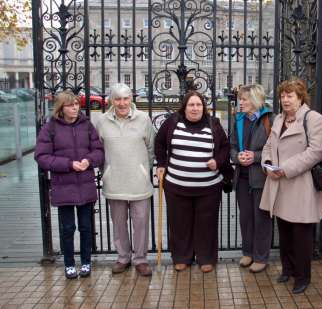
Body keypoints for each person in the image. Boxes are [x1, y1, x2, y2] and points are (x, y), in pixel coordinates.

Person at [260, 79, 322, 294]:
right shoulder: (279, 118)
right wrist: (268, 164)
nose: (285, 100)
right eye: (283, 96)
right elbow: (269, 146)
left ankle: (302, 276)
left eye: (290, 96)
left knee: (302, 236)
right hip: (278, 184)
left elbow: (316, 152)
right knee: (285, 232)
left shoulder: (314, 119)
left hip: (301, 186)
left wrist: (284, 169)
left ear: (300, 97)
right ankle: (287, 269)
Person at [154, 91, 230, 273]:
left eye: (198, 105)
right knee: (179, 223)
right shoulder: (173, 122)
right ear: (185, 107)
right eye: (191, 105)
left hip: (209, 187)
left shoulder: (214, 124)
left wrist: (217, 162)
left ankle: (206, 258)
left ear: (203, 107)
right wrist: (161, 163)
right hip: (177, 185)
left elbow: (225, 147)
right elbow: (159, 143)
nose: (195, 108)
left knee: (207, 223)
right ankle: (181, 257)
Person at [35, 90, 104, 279]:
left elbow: (99, 150)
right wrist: (68, 164)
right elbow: (41, 156)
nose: (74, 108)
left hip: (85, 184)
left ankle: (86, 262)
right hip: (63, 185)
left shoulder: (87, 125)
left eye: (76, 104)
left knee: (85, 227)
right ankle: (69, 263)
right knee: (67, 228)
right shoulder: (50, 128)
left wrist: (89, 161)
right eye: (70, 105)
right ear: (61, 108)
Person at [96, 83, 155, 276]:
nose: (122, 103)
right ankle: (123, 257)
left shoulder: (143, 119)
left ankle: (140, 259)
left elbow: (150, 149)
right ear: (111, 101)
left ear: (131, 99)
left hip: (139, 181)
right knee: (119, 222)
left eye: (126, 98)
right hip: (115, 180)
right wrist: (106, 171)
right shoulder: (102, 121)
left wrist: (144, 170)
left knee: (141, 222)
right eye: (117, 99)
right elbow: (98, 149)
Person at [230, 84, 274, 273]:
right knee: (246, 217)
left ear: (255, 100)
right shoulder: (238, 119)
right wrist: (237, 157)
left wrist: (254, 157)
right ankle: (247, 252)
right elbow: (231, 145)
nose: (241, 102)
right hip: (242, 178)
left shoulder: (270, 119)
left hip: (262, 178)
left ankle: (261, 256)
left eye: (245, 99)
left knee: (261, 218)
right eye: (241, 99)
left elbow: (273, 148)